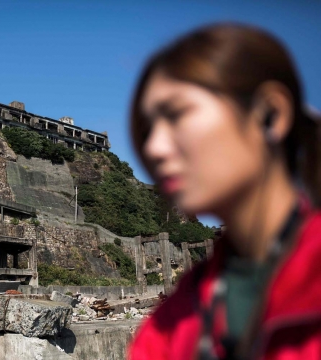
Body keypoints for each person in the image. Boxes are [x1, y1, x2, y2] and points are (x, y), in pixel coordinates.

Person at [128, 23, 321, 360]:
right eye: (146, 130)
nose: (154, 147)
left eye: (176, 115)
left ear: (270, 114)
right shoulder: (168, 324)